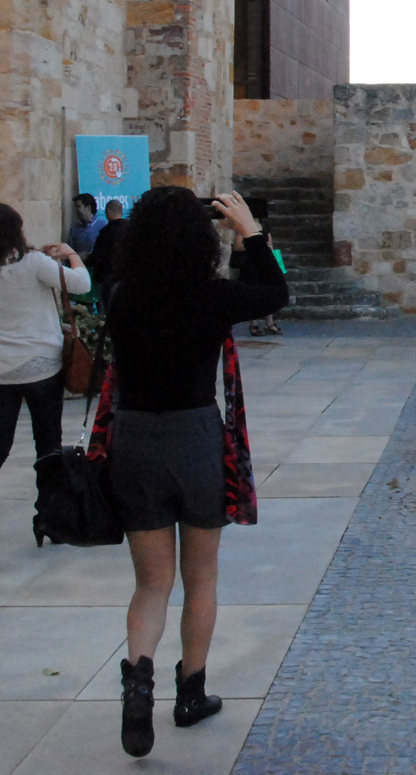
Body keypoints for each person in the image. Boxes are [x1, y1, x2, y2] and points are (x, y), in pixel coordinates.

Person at [107, 187, 287, 758]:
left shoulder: (121, 296)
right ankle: (192, 693)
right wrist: (250, 231)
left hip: (134, 440)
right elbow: (275, 293)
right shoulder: (211, 297)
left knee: (151, 583)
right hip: (194, 439)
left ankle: (138, 684)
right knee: (201, 577)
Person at [0, 204, 91, 469]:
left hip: (3, 368)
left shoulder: (31, 261)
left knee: (1, 442)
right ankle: (48, 508)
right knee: (48, 445)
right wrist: (71, 254)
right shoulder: (34, 262)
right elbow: (80, 284)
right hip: (42, 365)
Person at [230, 216, 283, 335]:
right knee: (252, 291)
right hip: (250, 265)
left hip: (263, 263)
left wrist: (277, 263)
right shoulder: (243, 227)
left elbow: (270, 244)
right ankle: (253, 324)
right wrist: (254, 245)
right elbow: (238, 246)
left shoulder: (264, 226)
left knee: (269, 290)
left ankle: (270, 323)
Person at [88, 199, 126, 310]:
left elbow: (98, 256)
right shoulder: (132, 229)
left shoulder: (106, 232)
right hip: (128, 279)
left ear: (108, 212)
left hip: (109, 279)